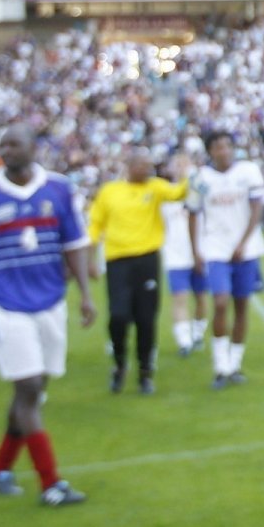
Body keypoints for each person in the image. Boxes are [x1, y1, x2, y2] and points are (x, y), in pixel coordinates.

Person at [0, 127, 95, 506]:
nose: (6, 150)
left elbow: (73, 244)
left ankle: (0, 471)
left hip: (51, 301)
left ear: (33, 148)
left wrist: (86, 295)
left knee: (34, 390)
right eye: (2, 146)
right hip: (5, 304)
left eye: (13, 143)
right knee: (27, 389)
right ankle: (51, 483)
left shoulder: (58, 188)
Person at [88, 148, 188, 395]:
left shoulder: (154, 188)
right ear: (130, 166)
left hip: (147, 260)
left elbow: (178, 193)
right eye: (143, 165)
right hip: (118, 262)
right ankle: (120, 363)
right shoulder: (109, 192)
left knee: (146, 318)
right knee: (118, 316)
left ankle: (145, 372)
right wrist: (90, 258)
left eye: (150, 165)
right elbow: (95, 225)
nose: (148, 169)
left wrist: (185, 175)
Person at [189, 131, 264, 388]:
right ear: (210, 151)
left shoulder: (248, 171)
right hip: (216, 248)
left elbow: (257, 208)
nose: (223, 151)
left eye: (227, 146)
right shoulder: (200, 178)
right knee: (221, 302)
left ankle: (234, 364)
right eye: (217, 147)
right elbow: (192, 213)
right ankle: (220, 365)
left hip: (246, 249)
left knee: (242, 305)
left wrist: (244, 242)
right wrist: (195, 251)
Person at [160, 154, 208, 358]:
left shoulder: (200, 192)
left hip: (199, 252)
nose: (180, 168)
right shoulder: (165, 195)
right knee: (179, 298)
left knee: (201, 298)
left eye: (183, 164)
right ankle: (184, 341)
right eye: (176, 164)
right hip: (175, 255)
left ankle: (197, 333)